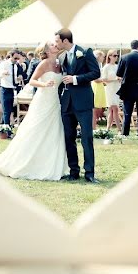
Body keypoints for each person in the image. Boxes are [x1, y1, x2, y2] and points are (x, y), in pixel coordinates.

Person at [0, 40, 67, 180]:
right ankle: (21, 162)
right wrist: (44, 84)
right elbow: (32, 80)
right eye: (52, 45)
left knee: (53, 131)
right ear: (46, 51)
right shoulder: (44, 64)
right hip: (43, 100)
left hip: (54, 101)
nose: (55, 45)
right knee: (35, 129)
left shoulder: (59, 63)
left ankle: (50, 163)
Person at [55, 27, 101, 183]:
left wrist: (75, 79)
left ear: (65, 40)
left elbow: (96, 73)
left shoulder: (85, 52)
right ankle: (73, 171)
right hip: (66, 103)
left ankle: (89, 174)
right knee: (69, 138)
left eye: (57, 40)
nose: (56, 44)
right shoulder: (61, 57)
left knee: (87, 138)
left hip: (83, 101)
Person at [115, 40, 138, 137]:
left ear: (131, 47)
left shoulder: (124, 57)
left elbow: (118, 73)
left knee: (127, 113)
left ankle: (125, 133)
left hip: (127, 89)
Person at [101, 49, 124, 133]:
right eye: (114, 55)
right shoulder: (106, 67)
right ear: (109, 56)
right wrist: (115, 79)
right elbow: (104, 79)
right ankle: (119, 129)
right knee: (114, 108)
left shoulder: (117, 66)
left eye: (117, 55)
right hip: (110, 89)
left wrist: (120, 79)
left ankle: (108, 129)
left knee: (112, 109)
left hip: (117, 88)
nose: (116, 57)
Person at [0, 52, 16, 125]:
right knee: (6, 111)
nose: (16, 60)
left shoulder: (15, 66)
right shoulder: (4, 64)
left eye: (18, 58)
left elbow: (14, 79)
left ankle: (4, 128)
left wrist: (18, 79)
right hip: (4, 89)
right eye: (15, 58)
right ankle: (6, 129)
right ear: (10, 56)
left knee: (10, 110)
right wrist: (3, 73)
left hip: (12, 89)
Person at [91, 50, 107, 129]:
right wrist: (104, 79)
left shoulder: (98, 65)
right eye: (102, 56)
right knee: (94, 108)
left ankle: (94, 126)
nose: (103, 58)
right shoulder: (94, 65)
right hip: (96, 87)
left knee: (98, 108)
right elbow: (95, 79)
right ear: (98, 56)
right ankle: (93, 127)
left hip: (100, 87)